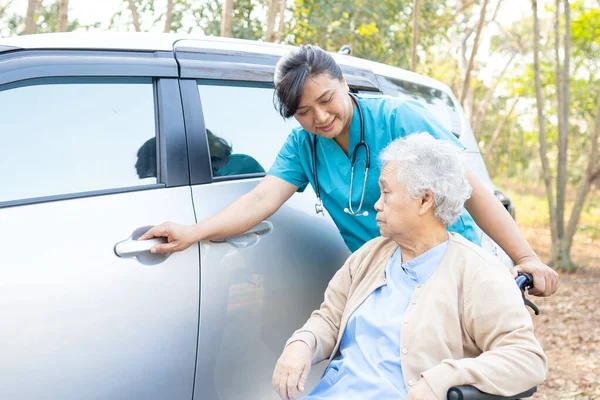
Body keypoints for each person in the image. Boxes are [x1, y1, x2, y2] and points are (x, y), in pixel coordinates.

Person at [140, 44, 558, 297]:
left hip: (452, 267)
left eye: (326, 99)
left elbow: (472, 189)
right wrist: (193, 232)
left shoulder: (399, 118)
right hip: (387, 277)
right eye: (303, 112)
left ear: (342, 81)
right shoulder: (304, 146)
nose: (320, 117)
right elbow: (262, 199)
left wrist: (526, 258)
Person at [272, 134, 547, 400]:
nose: (377, 204)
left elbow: (526, 359)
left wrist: (445, 377)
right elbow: (330, 318)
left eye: (386, 192)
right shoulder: (370, 255)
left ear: (425, 200)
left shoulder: (478, 273)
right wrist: (303, 342)